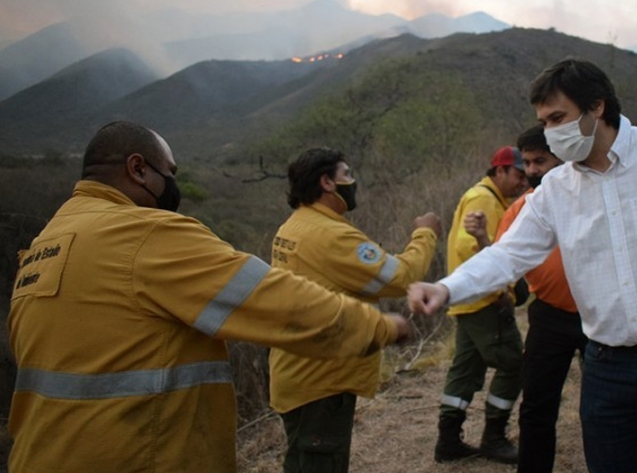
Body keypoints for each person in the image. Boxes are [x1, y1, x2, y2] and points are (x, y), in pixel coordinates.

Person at [409, 58, 637, 473]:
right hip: (607, 369)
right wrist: (448, 288)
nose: (550, 132)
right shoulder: (556, 191)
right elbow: (508, 254)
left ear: (597, 107)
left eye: (558, 117)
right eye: (544, 122)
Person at [7, 121, 412, 473]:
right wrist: (376, 326)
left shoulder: (45, 246)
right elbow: (273, 297)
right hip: (138, 458)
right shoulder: (147, 234)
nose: (174, 184)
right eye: (170, 172)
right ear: (138, 169)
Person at [268, 147, 441, 472]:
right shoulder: (332, 235)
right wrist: (426, 233)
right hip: (322, 381)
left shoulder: (291, 228)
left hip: (295, 372)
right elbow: (399, 277)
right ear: (327, 183)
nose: (353, 182)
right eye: (347, 174)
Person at [433, 145, 527, 465]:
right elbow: (468, 245)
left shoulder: (487, 196)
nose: (523, 182)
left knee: (465, 370)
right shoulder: (485, 198)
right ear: (498, 171)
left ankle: (448, 441)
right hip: (485, 300)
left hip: (468, 301)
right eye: (518, 174)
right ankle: (494, 437)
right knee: (514, 363)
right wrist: (500, 289)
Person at [504, 125, 586, 473]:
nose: (533, 169)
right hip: (549, 316)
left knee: (607, 405)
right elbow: (503, 261)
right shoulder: (520, 210)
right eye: (528, 162)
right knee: (536, 405)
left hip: (600, 315)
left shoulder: (592, 199)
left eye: (541, 160)